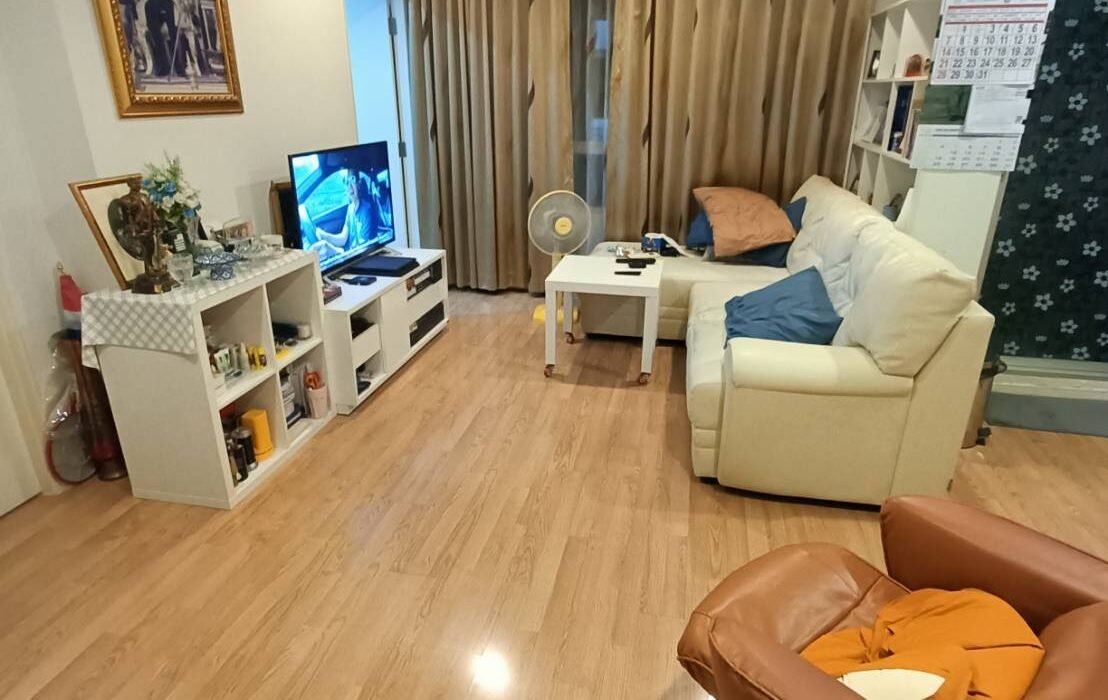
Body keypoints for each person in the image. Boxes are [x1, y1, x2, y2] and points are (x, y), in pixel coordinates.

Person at [309, 170, 372, 260]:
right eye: (346, 182)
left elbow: (363, 249)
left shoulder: (367, 209)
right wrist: (324, 236)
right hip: (350, 254)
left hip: (360, 258)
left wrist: (338, 252)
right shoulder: (350, 208)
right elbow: (343, 238)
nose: (349, 186)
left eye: (352, 180)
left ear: (359, 183)